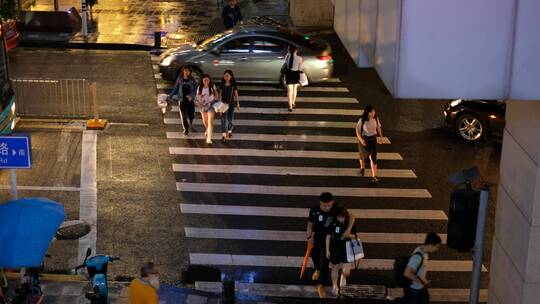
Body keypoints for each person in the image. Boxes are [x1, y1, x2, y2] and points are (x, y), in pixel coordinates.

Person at [307, 192, 356, 299]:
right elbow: (310, 225)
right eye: (324, 205)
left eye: (329, 205)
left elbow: (352, 216)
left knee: (324, 261)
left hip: (329, 239)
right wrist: (309, 237)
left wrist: (348, 230)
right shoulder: (314, 210)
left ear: (332, 203)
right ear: (320, 203)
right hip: (317, 238)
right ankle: (317, 270)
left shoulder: (336, 209)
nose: (326, 208)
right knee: (315, 256)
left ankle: (321, 285)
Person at [325, 206, 357, 296]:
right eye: (339, 217)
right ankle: (335, 285)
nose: (340, 219)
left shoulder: (350, 223)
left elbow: (354, 236)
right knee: (334, 267)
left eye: (342, 217)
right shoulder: (333, 222)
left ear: (345, 216)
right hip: (335, 248)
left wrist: (348, 235)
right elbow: (328, 236)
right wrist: (327, 250)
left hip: (347, 248)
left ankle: (343, 277)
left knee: (347, 271)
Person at [403, 232, 442, 304]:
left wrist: (424, 280)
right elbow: (407, 273)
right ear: (431, 245)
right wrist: (421, 282)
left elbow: (419, 269)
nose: (437, 249)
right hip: (414, 291)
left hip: (420, 288)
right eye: (437, 247)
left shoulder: (423, 250)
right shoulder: (417, 257)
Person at [355, 105, 383, 183]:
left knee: (373, 157)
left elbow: (378, 128)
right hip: (364, 140)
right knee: (362, 156)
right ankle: (362, 169)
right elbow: (357, 131)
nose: (374, 112)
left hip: (373, 140)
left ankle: (374, 176)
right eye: (373, 111)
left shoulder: (376, 119)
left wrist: (381, 137)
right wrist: (361, 140)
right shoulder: (362, 120)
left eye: (374, 111)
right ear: (369, 113)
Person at [169, 66, 197, 135]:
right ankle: (186, 129)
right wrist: (169, 96)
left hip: (190, 100)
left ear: (190, 72)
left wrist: (191, 95)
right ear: (183, 71)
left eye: (188, 71)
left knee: (191, 115)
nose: (186, 72)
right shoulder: (180, 79)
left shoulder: (192, 79)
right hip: (182, 100)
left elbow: (196, 90)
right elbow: (176, 89)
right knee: (184, 115)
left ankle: (191, 123)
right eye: (185, 71)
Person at [196, 74, 219, 145]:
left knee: (210, 121)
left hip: (211, 105)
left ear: (209, 80)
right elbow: (198, 97)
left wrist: (216, 99)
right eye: (204, 80)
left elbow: (216, 95)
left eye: (207, 80)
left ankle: (209, 138)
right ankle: (207, 129)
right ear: (202, 80)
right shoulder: (200, 87)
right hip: (202, 106)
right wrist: (201, 99)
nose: (206, 81)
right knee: (205, 121)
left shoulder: (212, 86)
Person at [218, 70, 240, 143]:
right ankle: (224, 134)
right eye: (225, 75)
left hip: (231, 104)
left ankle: (230, 130)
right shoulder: (222, 84)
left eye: (228, 75)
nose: (226, 77)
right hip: (223, 104)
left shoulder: (233, 85)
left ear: (231, 76)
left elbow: (236, 95)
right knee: (223, 120)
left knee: (230, 118)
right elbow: (220, 95)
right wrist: (219, 105)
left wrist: (238, 104)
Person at [284, 45, 303, 112]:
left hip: (288, 74)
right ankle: (293, 103)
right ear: (296, 50)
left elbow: (286, 63)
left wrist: (288, 52)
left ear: (289, 50)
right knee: (295, 89)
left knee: (289, 91)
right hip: (296, 74)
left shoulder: (287, 57)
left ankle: (290, 107)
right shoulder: (300, 58)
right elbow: (300, 69)